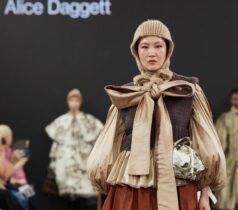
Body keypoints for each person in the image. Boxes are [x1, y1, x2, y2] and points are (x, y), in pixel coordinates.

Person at [87, 20, 226, 210]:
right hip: (131, 184)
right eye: (144, 46)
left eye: (158, 46)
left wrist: (204, 194)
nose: (151, 52)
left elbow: (205, 142)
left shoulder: (186, 89)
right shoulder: (126, 94)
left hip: (179, 183)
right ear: (136, 52)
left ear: (168, 50)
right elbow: (109, 144)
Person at [45, 89, 104, 210]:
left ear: (80, 101)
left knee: (82, 199)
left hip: (82, 164)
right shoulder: (60, 122)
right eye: (71, 99)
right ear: (67, 101)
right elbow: (56, 144)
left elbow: (96, 140)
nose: (74, 103)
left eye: (77, 100)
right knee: (68, 199)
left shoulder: (89, 120)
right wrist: (53, 162)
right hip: (65, 164)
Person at [0, 124, 28, 210]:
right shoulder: (2, 153)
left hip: (13, 186)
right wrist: (20, 162)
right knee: (27, 197)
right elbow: (5, 176)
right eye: (11, 136)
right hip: (9, 188)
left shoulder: (7, 151)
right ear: (6, 138)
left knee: (30, 196)